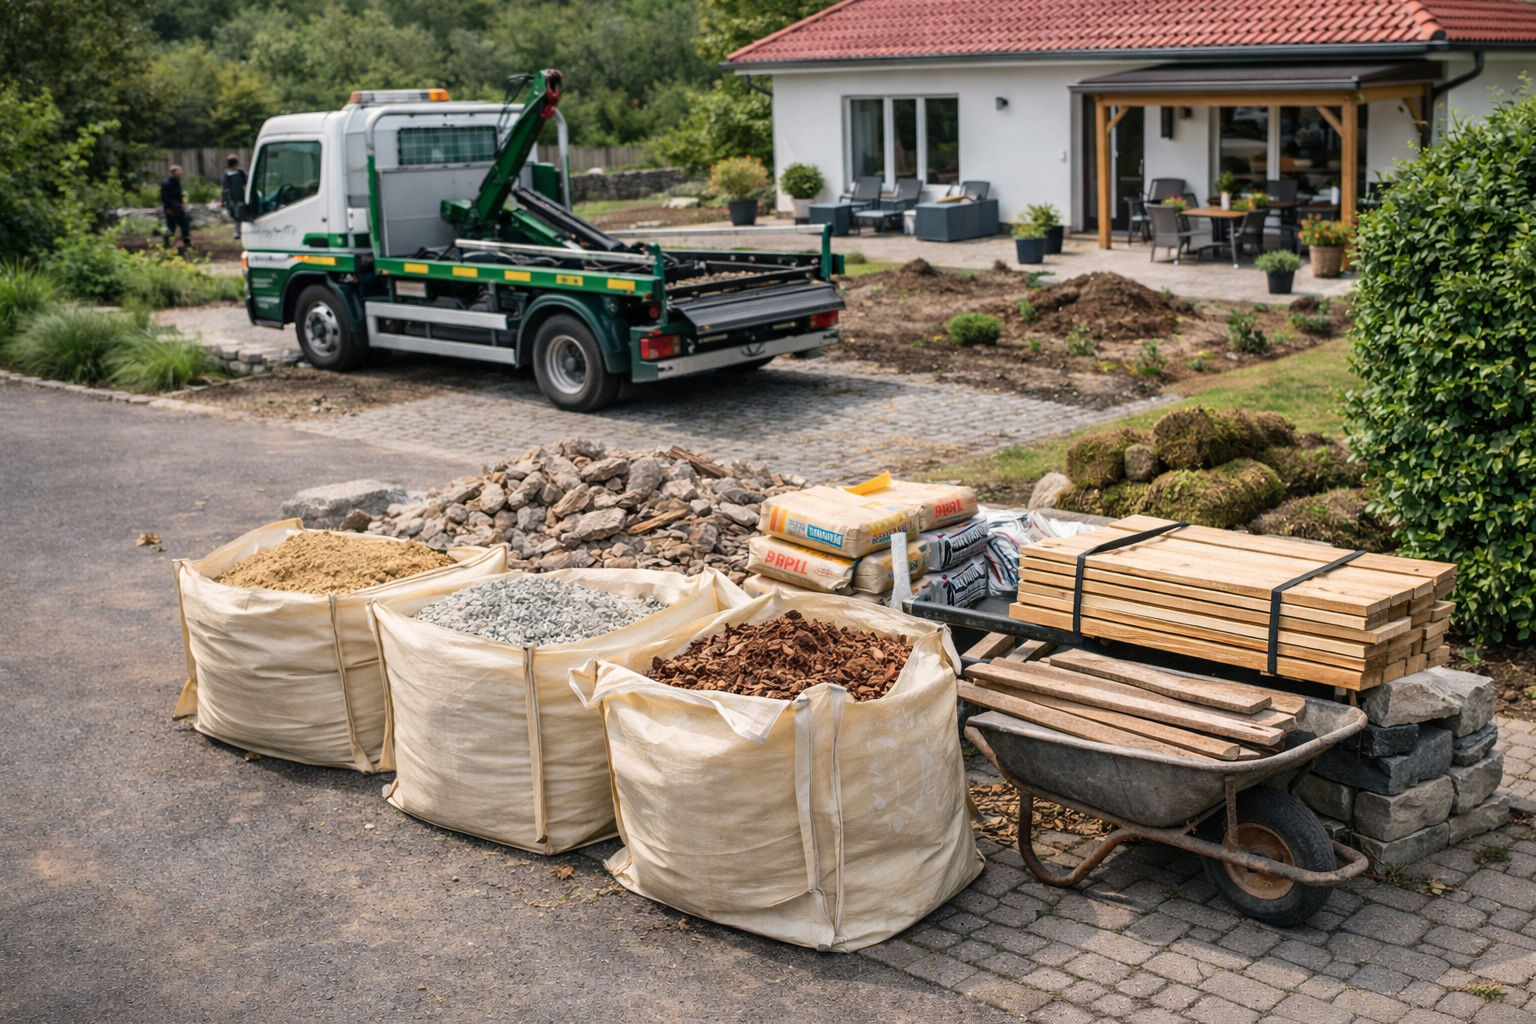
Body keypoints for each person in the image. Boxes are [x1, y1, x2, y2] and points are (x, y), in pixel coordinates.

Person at [160, 165, 191, 250]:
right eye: (179, 173)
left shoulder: (177, 182)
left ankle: (187, 244)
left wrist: (182, 205)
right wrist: (174, 204)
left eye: (181, 173)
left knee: (185, 225)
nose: (181, 175)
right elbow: (164, 197)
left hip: (179, 209)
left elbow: (179, 196)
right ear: (174, 174)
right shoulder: (166, 183)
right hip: (170, 209)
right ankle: (166, 244)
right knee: (171, 229)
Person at [221, 154, 248, 240]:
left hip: (241, 196)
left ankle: (239, 231)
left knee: (241, 214)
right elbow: (224, 188)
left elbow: (246, 182)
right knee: (235, 214)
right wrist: (222, 200)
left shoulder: (240, 172)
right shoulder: (227, 173)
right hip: (232, 197)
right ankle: (236, 231)